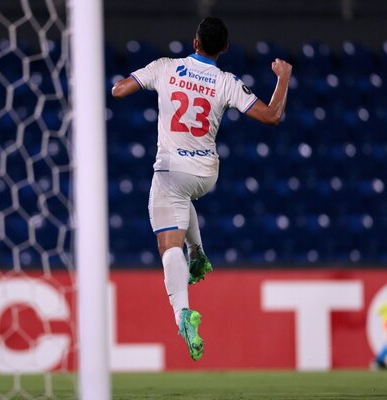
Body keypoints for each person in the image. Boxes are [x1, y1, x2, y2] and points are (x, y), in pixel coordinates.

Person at [111, 17, 292, 361]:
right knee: (182, 199)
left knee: (168, 247)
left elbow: (119, 90)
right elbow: (271, 116)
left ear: (194, 42)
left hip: (170, 171)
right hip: (206, 173)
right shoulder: (226, 82)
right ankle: (199, 256)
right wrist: (283, 78)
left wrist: (138, 82)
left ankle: (183, 313)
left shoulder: (166, 67)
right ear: (224, 48)